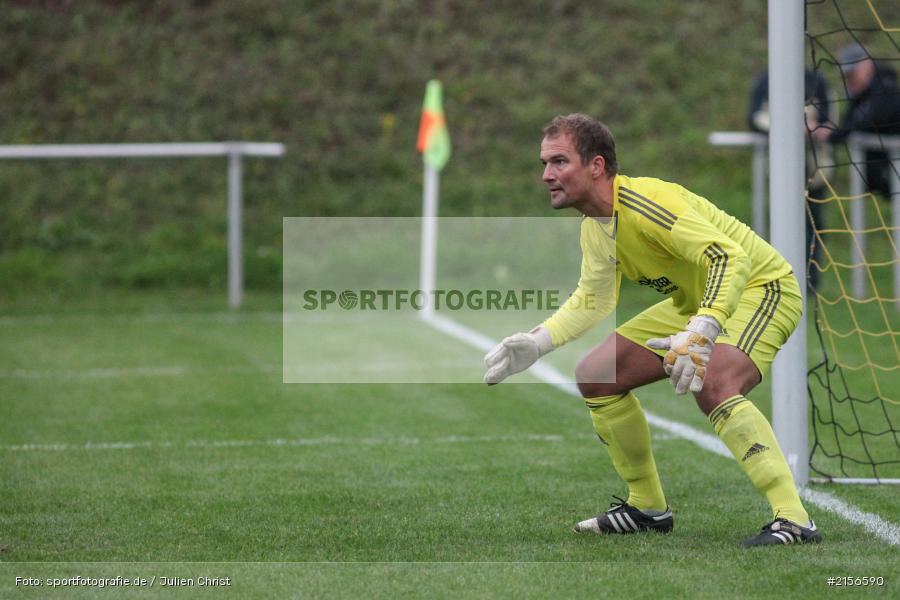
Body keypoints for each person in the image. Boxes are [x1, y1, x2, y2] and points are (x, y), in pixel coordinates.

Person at [483, 114, 822, 548]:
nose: (547, 175)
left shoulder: (647, 203)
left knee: (713, 380)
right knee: (597, 374)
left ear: (597, 166)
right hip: (699, 302)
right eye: (545, 163)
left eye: (559, 161)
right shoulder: (595, 228)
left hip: (762, 287)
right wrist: (538, 342)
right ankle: (647, 509)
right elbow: (594, 299)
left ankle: (794, 519)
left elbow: (729, 258)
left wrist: (704, 327)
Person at [748, 68, 833, 290]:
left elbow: (828, 119)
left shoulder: (816, 80)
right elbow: (754, 118)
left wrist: (816, 128)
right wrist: (787, 129)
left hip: (815, 167)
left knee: (814, 223)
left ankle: (811, 280)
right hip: (780, 168)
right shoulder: (766, 81)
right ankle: (780, 278)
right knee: (781, 222)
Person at [812, 43, 900, 199]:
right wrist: (831, 132)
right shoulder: (862, 94)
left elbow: (865, 121)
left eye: (851, 73)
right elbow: (850, 122)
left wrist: (832, 134)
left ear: (866, 65)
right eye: (846, 75)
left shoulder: (886, 88)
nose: (848, 80)